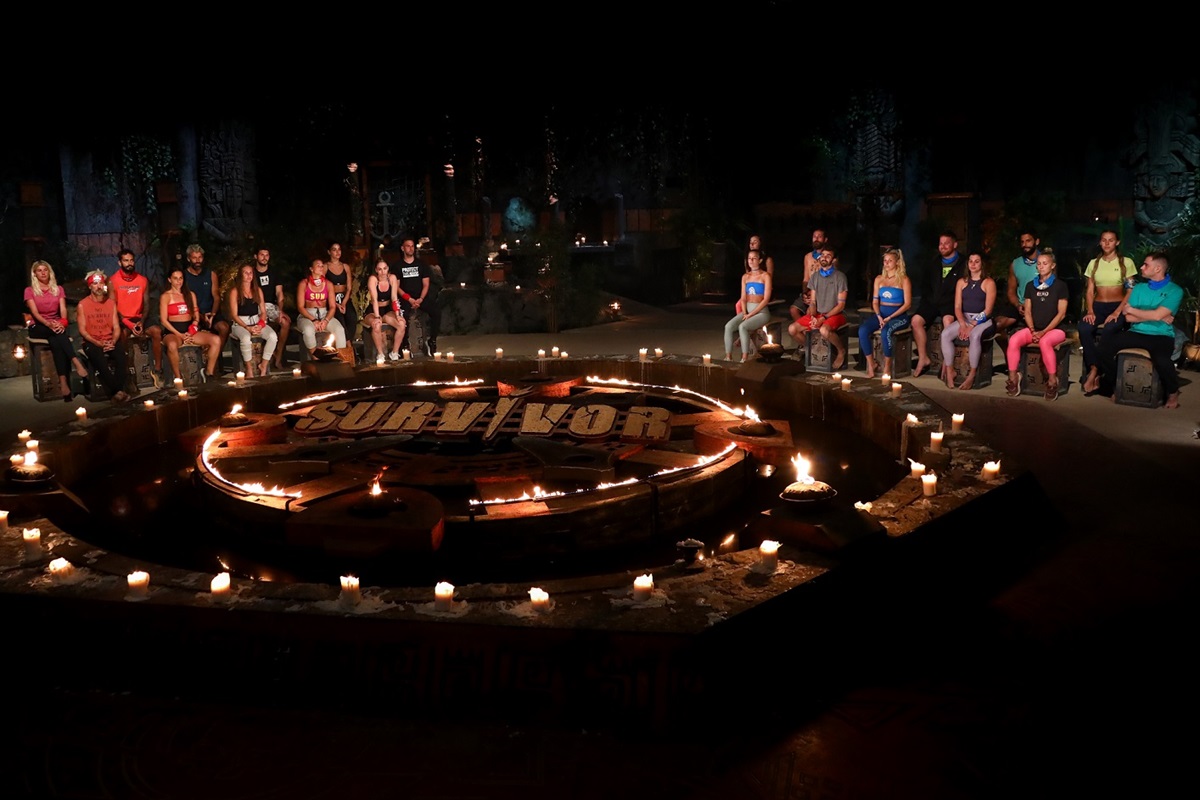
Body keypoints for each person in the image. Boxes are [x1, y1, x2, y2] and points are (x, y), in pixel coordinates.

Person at [1095, 251, 1184, 409]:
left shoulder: (1175, 291)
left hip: (1161, 335)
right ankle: (1116, 384)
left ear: (1157, 269)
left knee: (1162, 361)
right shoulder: (1139, 288)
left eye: (1146, 265)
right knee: (1104, 348)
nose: (1141, 267)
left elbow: (1153, 315)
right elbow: (1128, 317)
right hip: (1136, 332)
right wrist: (1155, 315)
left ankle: (1172, 391)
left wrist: (1143, 312)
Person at [1004, 248, 1070, 400]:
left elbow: (1061, 314)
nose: (1041, 266)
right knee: (1013, 340)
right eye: (1039, 264)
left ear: (1052, 266)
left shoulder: (1060, 286)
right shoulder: (1030, 285)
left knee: (1045, 342)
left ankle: (1052, 381)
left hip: (1055, 330)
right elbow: (1027, 311)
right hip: (1034, 329)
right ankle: (1013, 377)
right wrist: (1033, 330)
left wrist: (1044, 332)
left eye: (1045, 263)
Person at [1080, 230, 1137, 395]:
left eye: (1111, 240)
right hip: (1098, 306)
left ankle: (1099, 373)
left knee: (1110, 330)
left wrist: (1117, 312)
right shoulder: (1094, 263)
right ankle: (1094, 368)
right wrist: (1090, 310)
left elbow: (1130, 290)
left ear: (1117, 243)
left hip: (1117, 306)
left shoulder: (1126, 262)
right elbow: (1089, 291)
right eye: (1104, 240)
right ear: (1100, 242)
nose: (1107, 243)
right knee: (1084, 328)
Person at [939, 250, 997, 390]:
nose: (973, 264)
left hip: (983, 320)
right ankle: (950, 370)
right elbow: (957, 307)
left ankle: (972, 375)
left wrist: (971, 325)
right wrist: (962, 323)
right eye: (971, 261)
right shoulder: (961, 282)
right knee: (945, 334)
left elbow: (988, 310)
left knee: (974, 335)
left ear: (982, 264)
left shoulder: (988, 283)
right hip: (965, 318)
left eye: (977, 261)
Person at [911, 230, 964, 377]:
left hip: (951, 302)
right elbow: (925, 285)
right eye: (941, 243)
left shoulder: (963, 263)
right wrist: (927, 302)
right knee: (915, 321)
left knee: (948, 321)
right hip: (932, 301)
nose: (943, 246)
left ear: (955, 244)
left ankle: (947, 362)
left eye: (947, 243)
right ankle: (923, 358)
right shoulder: (933, 263)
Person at [788, 246, 848, 370]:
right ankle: (811, 348)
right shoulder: (815, 276)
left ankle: (841, 351)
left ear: (834, 260)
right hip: (819, 314)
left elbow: (841, 305)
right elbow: (813, 301)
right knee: (792, 329)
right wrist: (812, 315)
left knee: (824, 330)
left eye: (828, 255)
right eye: (823, 255)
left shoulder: (840, 277)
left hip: (836, 314)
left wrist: (823, 318)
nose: (824, 258)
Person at [857, 247, 912, 379]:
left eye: (890, 261)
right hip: (881, 315)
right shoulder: (879, 279)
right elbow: (875, 302)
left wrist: (890, 317)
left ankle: (887, 365)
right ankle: (872, 364)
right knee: (862, 330)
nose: (886, 263)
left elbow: (907, 304)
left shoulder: (904, 280)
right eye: (885, 260)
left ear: (897, 262)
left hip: (898, 317)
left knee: (885, 331)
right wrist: (879, 316)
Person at [23, 260, 75, 401]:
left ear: (49, 272)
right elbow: (35, 313)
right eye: (39, 270)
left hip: (55, 325)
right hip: (38, 325)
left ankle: (63, 383)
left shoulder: (58, 289)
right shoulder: (29, 291)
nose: (43, 273)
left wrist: (62, 323)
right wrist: (49, 324)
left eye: (45, 270)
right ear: (35, 274)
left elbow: (63, 310)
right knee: (58, 335)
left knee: (56, 342)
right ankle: (74, 359)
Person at [76, 270, 130, 404]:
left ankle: (117, 393)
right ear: (90, 286)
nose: (99, 286)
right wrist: (97, 343)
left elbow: (116, 327)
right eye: (95, 284)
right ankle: (118, 391)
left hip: (109, 339)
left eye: (100, 283)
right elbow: (83, 331)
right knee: (100, 360)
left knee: (121, 356)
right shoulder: (82, 304)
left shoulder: (111, 303)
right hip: (91, 340)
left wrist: (113, 341)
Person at [159, 265, 222, 381]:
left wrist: (191, 330)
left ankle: (208, 373)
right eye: (175, 278)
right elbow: (163, 320)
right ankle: (178, 378)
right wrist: (180, 335)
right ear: (169, 280)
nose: (178, 281)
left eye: (181, 278)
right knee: (172, 345)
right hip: (173, 331)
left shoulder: (190, 294)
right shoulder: (165, 296)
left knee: (216, 340)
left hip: (189, 330)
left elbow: (196, 317)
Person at [110, 248, 163, 382]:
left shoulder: (142, 280)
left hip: (139, 317)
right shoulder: (113, 281)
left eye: (131, 260)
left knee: (157, 331)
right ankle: (127, 372)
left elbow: (146, 304)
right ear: (120, 263)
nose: (129, 263)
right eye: (126, 260)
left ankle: (158, 370)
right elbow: (112, 306)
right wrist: (128, 323)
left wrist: (142, 322)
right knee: (121, 335)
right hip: (122, 318)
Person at [183, 244, 231, 371]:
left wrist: (213, 314)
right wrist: (198, 316)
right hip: (193, 314)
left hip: (211, 312)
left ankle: (214, 360)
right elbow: (185, 300)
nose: (197, 260)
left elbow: (216, 296)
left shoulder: (211, 274)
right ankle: (198, 365)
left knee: (224, 327)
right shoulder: (184, 277)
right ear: (188, 259)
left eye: (200, 257)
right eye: (194, 258)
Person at [723, 249, 773, 362]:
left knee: (743, 327)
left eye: (754, 258)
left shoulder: (765, 276)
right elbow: (743, 298)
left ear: (760, 260)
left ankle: (744, 358)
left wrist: (750, 315)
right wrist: (745, 313)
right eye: (749, 258)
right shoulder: (745, 276)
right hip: (747, 311)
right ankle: (728, 357)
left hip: (761, 312)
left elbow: (766, 299)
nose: (751, 261)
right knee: (728, 326)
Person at [229, 263, 279, 377]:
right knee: (246, 338)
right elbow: (234, 315)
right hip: (240, 323)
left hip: (256, 321)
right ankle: (249, 368)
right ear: (241, 275)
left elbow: (263, 312)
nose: (248, 275)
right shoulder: (235, 292)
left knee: (273, 336)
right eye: (245, 273)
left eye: (250, 273)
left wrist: (260, 325)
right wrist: (247, 327)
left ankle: (264, 365)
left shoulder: (257, 290)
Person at [993, 229, 1041, 343]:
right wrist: (1018, 305)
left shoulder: (1045, 262)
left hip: (1040, 306)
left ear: (1036, 241)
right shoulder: (1015, 264)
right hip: (1021, 306)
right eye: (1022, 242)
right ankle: (1007, 349)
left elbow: (1053, 288)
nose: (1025, 245)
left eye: (1028, 241)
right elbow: (1011, 291)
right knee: (997, 324)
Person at [396, 236, 440, 356]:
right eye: (408, 246)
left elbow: (426, 284)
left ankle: (432, 341)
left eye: (412, 246)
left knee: (436, 312)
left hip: (421, 297)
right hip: (405, 298)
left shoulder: (421, 264)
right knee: (403, 315)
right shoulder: (398, 266)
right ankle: (405, 344)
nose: (410, 248)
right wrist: (409, 299)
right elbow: (397, 287)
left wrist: (420, 299)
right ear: (402, 248)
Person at [295, 259, 345, 358]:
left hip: (324, 314)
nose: (321, 268)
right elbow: (300, 307)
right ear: (311, 269)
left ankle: (341, 358)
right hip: (308, 315)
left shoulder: (328, 284)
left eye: (322, 266)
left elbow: (332, 307)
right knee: (308, 330)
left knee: (339, 329)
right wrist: (313, 320)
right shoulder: (304, 284)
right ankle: (316, 357)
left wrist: (326, 320)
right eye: (318, 266)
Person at [253, 246, 292, 370]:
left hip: (270, 305)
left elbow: (279, 293)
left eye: (267, 255)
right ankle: (268, 354)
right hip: (255, 305)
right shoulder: (251, 273)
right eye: (262, 255)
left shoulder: (274, 272)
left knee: (285, 322)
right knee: (262, 325)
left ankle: (278, 356)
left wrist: (280, 311)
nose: (264, 258)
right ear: (256, 256)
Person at [365, 258, 406, 361]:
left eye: (385, 268)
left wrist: (397, 315)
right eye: (380, 269)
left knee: (401, 324)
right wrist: (377, 316)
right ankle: (380, 354)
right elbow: (374, 299)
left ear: (388, 268)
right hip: (374, 309)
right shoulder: (373, 279)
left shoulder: (392, 278)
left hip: (387, 308)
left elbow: (394, 298)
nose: (383, 272)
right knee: (376, 325)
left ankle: (394, 352)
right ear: (376, 270)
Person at [324, 240, 357, 345]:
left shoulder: (345, 266)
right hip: (331, 298)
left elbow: (349, 288)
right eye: (334, 250)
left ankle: (349, 342)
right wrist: (335, 304)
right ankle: (349, 347)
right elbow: (323, 287)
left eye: (339, 249)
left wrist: (343, 303)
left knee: (352, 317)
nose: (337, 252)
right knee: (340, 319)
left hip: (344, 297)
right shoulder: (325, 267)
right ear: (329, 252)